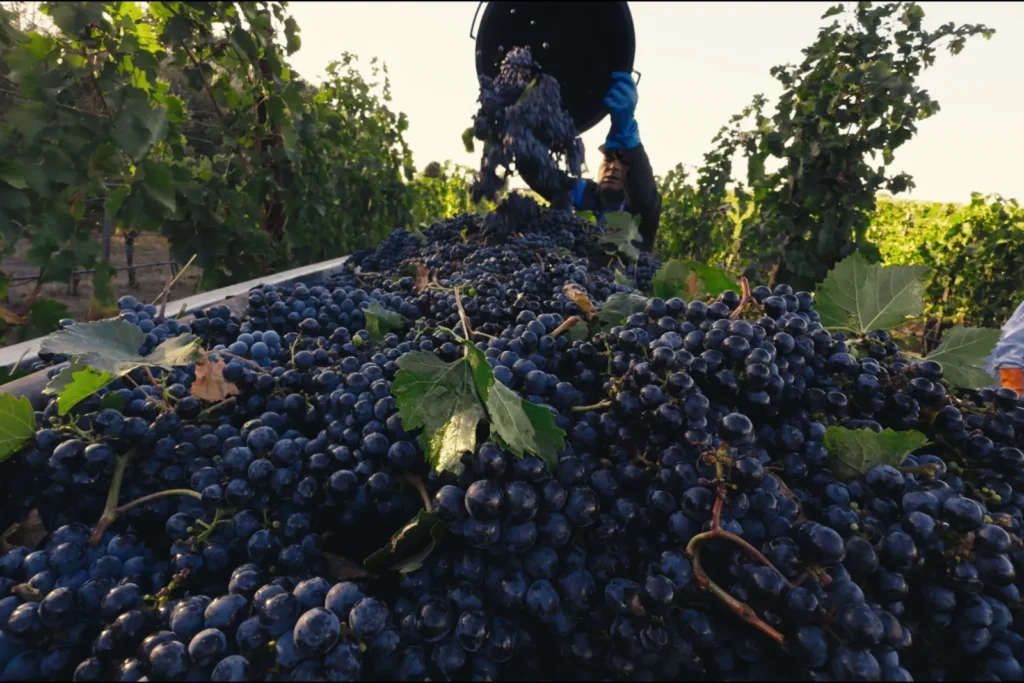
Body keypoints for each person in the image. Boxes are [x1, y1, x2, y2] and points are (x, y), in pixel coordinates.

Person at [527, 72, 662, 253]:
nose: (613, 166)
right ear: (598, 169)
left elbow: (644, 194)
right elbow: (541, 176)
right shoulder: (583, 194)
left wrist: (626, 136)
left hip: (622, 280)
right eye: (607, 161)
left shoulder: (639, 210)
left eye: (621, 164)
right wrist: (522, 139)